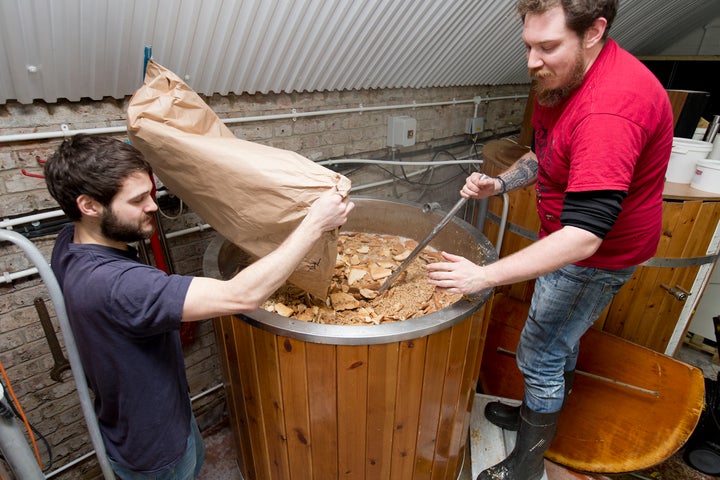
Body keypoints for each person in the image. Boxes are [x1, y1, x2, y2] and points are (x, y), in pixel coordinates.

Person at [427, 0, 673, 478]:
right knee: (559, 336)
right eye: (528, 45)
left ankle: (526, 464)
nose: (532, 62)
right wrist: (499, 184)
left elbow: (583, 238)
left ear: (595, 31)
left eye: (548, 46)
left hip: (596, 255)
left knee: (538, 351)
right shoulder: (562, 79)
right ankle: (532, 417)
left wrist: (483, 276)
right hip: (569, 238)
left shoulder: (611, 108)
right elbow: (547, 158)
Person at [44, 134, 354, 479]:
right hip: (155, 447)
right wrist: (315, 223)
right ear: (89, 206)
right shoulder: (116, 284)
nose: (153, 206)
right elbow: (241, 296)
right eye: (137, 200)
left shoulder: (68, 243)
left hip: (146, 414)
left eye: (150, 192)